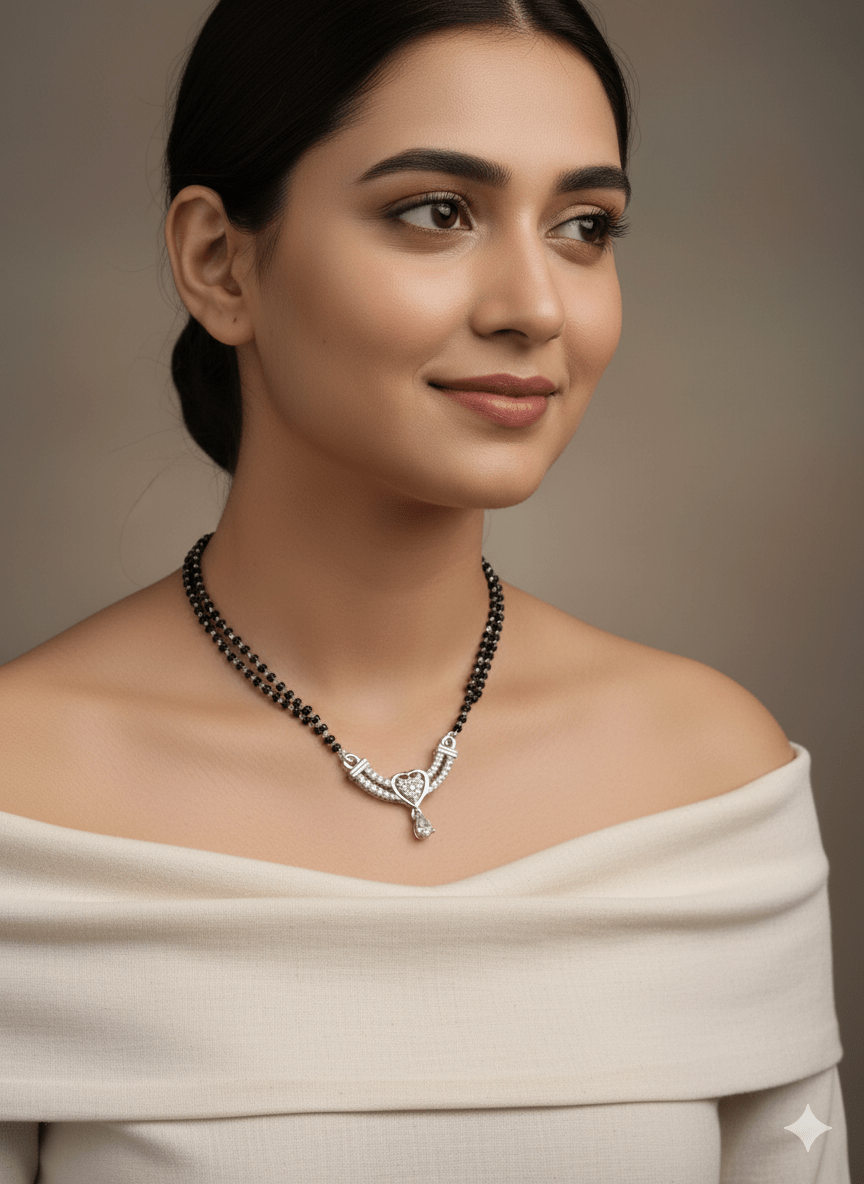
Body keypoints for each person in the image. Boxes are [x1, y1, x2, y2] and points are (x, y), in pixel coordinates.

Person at [0, 0, 848, 1179]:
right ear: (218, 262)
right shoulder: (22, 804)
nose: (535, 305)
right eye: (436, 212)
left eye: (585, 226)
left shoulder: (716, 784)